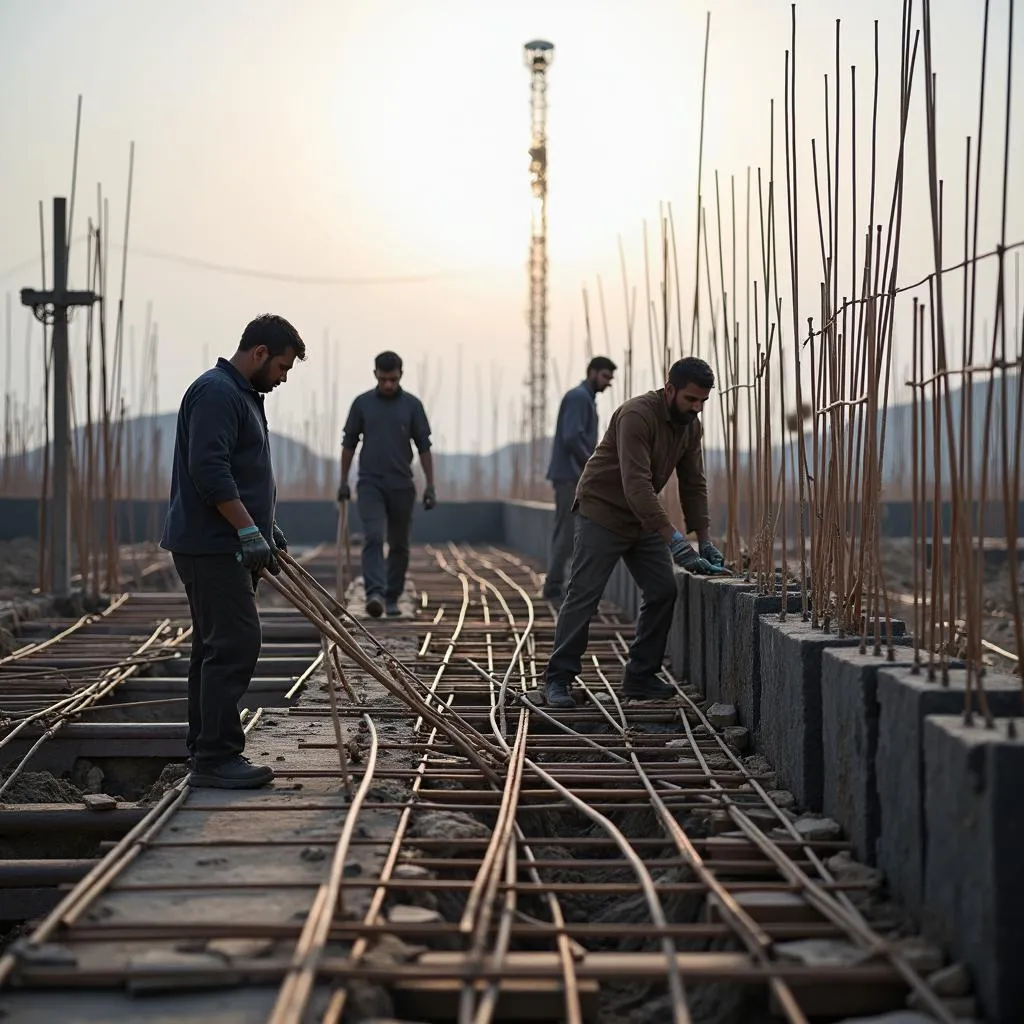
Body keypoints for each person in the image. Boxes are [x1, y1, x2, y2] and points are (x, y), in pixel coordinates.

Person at [161, 314, 306, 788]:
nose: (283, 378)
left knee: (212, 648)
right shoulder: (218, 393)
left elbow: (241, 474)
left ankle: (206, 752)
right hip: (213, 547)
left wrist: (266, 526)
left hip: (227, 543)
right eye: (282, 366)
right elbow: (211, 471)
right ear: (260, 352)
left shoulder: (241, 395)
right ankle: (218, 757)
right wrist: (247, 531)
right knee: (238, 642)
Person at [542, 356, 730, 710]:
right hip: (603, 511)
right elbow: (637, 485)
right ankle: (558, 679)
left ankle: (640, 676)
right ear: (670, 389)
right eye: (691, 399)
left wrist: (704, 540)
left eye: (703, 402)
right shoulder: (636, 415)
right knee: (584, 594)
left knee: (663, 590)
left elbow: (693, 483)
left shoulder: (691, 427)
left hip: (642, 519)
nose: (696, 408)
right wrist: (675, 540)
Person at [337, 351, 435, 618]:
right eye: (383, 379)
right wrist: (343, 481)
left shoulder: (412, 406)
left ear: (401, 375)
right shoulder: (362, 404)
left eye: (392, 379)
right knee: (373, 537)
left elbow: (424, 446)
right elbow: (348, 443)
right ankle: (375, 594)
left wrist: (430, 485)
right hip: (370, 484)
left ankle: (392, 595)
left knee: (400, 543)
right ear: (375, 376)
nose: (388, 385)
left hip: (402, 485)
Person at [543, 356, 617, 604]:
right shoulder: (579, 397)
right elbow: (572, 437)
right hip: (570, 476)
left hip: (572, 475)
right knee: (567, 531)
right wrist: (592, 465)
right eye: (605, 376)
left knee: (567, 531)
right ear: (592, 373)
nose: (608, 383)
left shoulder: (584, 398)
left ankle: (556, 585)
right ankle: (554, 586)